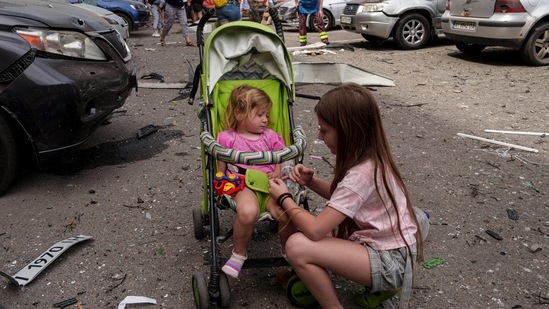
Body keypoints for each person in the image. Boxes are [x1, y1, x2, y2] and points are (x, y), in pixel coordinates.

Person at [268, 83, 424, 308]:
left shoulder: (361, 174)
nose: (319, 136)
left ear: (348, 131)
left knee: (297, 245)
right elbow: (345, 196)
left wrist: (284, 198)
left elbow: (314, 230)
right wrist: (310, 182)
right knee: (324, 228)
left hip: (391, 262)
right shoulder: (371, 159)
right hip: (395, 249)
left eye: (324, 130)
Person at [217, 85, 286, 278]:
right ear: (240, 114)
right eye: (260, 115)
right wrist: (220, 181)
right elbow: (221, 165)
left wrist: (278, 172)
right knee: (248, 213)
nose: (266, 119)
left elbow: (278, 158)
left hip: (270, 184)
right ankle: (239, 253)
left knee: (286, 212)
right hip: (243, 185)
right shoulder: (227, 138)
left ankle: (289, 250)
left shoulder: (271, 137)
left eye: (267, 114)